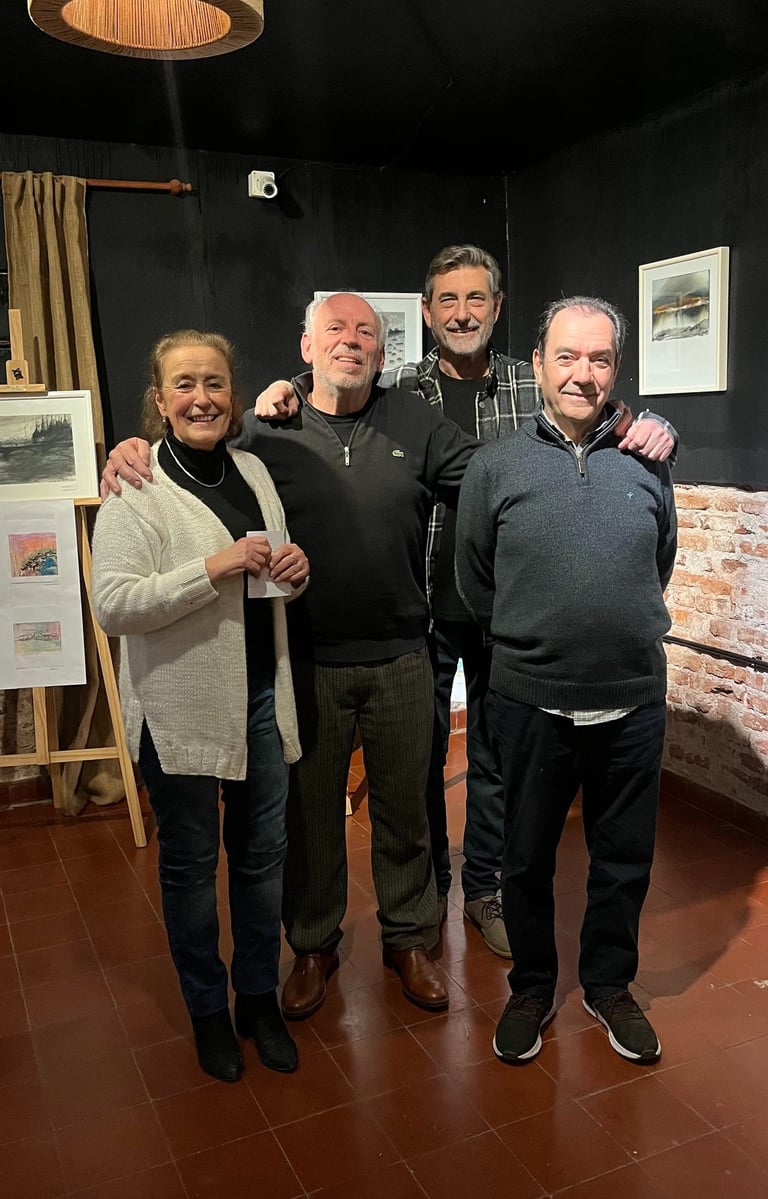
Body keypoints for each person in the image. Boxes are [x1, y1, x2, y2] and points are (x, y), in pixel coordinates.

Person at [255, 245, 677, 959]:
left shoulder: (535, 378)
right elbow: (333, 384)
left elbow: (591, 429)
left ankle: (482, 892)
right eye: (447, 300)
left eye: (476, 298)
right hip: (422, 605)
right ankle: (425, 898)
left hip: (507, 615)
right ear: (426, 313)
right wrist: (283, 389)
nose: (461, 313)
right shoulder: (400, 389)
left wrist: (658, 426)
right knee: (412, 769)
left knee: (494, 762)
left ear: (498, 308)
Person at [100, 293, 479, 1017]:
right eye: (334, 329)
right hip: (304, 659)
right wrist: (129, 448)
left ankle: (408, 938)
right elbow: (193, 442)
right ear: (306, 347)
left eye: (366, 331)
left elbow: (486, 473)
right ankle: (311, 944)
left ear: (383, 350)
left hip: (404, 652)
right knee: (308, 819)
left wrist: (608, 431)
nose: (350, 341)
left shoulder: (416, 421)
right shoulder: (265, 431)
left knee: (407, 809)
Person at [455, 296, 676, 1065]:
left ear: (616, 367)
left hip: (633, 700)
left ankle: (609, 985)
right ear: (539, 365)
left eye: (600, 359)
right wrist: (536, 640)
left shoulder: (647, 460)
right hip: (531, 701)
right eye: (567, 357)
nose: (584, 374)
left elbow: (659, 561)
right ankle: (532, 985)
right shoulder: (495, 466)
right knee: (525, 858)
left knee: (624, 858)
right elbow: (475, 579)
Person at [91, 330, 309, 1082]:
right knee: (189, 868)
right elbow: (114, 604)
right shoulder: (136, 485)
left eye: (214, 382)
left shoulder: (253, 471)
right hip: (178, 710)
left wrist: (294, 572)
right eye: (184, 384)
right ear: (160, 400)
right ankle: (208, 1009)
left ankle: (258, 999)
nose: (201, 398)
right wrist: (211, 567)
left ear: (233, 394)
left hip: (260, 696)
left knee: (261, 859)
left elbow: (267, 583)